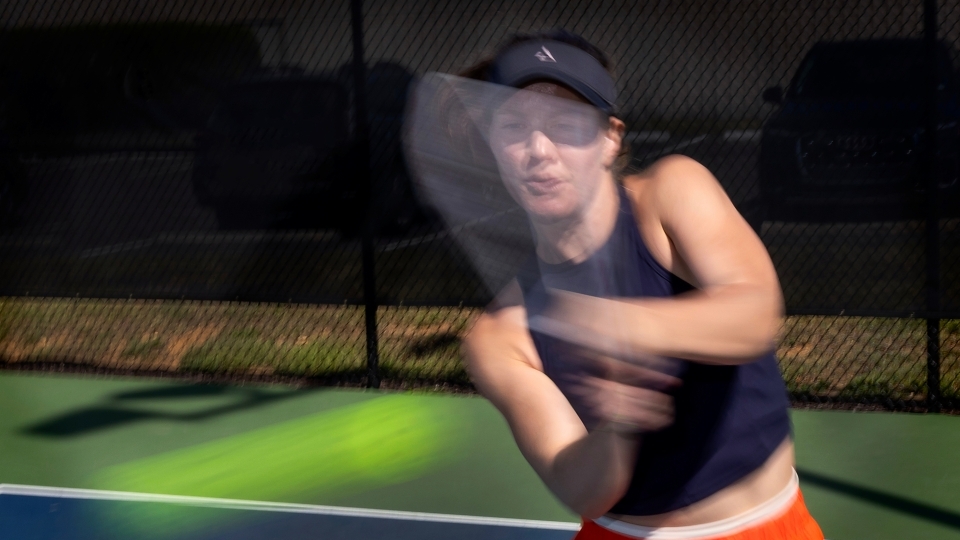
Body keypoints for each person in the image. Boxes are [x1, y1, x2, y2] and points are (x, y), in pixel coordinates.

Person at [458, 31, 824, 539]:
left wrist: (623, 326)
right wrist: (619, 426)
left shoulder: (672, 193)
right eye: (514, 126)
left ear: (610, 137)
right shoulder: (499, 337)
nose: (538, 150)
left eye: (564, 125)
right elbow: (578, 487)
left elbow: (756, 314)